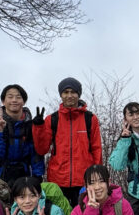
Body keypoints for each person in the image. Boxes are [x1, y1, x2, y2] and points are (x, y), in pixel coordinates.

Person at [32, 77, 103, 207]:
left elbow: (96, 148)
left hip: (84, 179)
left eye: (73, 92)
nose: (69, 95)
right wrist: (38, 127)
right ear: (61, 95)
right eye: (65, 92)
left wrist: (98, 176)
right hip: (57, 179)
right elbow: (42, 149)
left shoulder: (90, 118)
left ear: (78, 94)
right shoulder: (52, 119)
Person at [0, 84, 45, 183]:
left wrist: (38, 177)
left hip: (22, 177)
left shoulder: (29, 124)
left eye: (18, 97)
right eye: (10, 97)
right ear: (3, 101)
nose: (14, 100)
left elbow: (35, 154)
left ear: (23, 102)